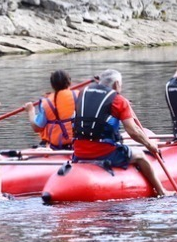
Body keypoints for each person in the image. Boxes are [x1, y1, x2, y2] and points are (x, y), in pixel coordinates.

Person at [71, 69, 167, 198]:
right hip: (103, 153)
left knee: (120, 141)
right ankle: (161, 191)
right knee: (140, 155)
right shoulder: (119, 101)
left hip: (79, 151)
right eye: (121, 85)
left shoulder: (82, 94)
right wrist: (150, 145)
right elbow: (133, 131)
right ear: (116, 84)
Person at [28, 70, 76, 150]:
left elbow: (37, 128)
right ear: (70, 82)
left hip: (55, 147)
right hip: (76, 144)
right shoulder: (78, 96)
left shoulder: (46, 103)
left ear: (52, 85)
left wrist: (30, 111)